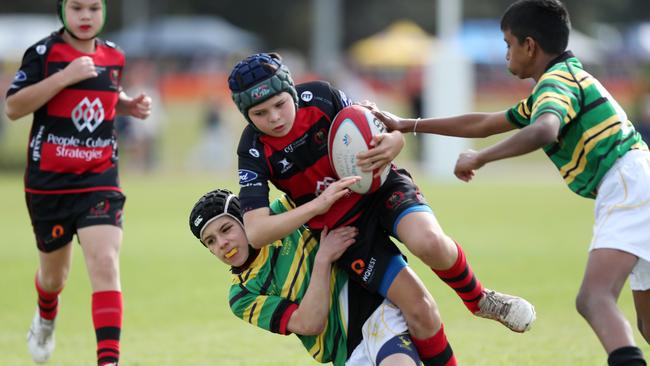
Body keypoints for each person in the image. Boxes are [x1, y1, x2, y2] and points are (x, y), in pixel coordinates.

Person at [373, 1, 650, 365]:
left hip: (628, 184)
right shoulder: (563, 79)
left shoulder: (555, 84)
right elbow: (485, 122)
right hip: (636, 180)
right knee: (646, 322)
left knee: (594, 299)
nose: (506, 54)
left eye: (508, 44)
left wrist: (481, 157)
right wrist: (407, 124)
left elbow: (544, 130)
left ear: (530, 46)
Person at [229, 52, 536, 364]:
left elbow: (379, 126)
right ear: (247, 116)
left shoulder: (322, 98)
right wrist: (319, 205)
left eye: (280, 104)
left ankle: (479, 300)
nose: (275, 118)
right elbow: (256, 231)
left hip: (381, 189)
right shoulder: (253, 149)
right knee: (420, 310)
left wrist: (395, 142)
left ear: (292, 91)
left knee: (428, 242)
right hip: (346, 231)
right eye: (260, 113)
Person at [4, 0, 152, 364]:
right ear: (62, 11)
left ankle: (109, 360)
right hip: (49, 185)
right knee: (54, 279)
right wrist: (64, 76)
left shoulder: (114, 56)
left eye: (93, 8)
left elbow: (100, 93)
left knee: (104, 262)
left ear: (104, 11)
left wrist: (126, 104)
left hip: (99, 177)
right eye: (76, 8)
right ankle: (45, 315)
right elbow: (13, 107)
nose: (86, 17)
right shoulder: (43, 53)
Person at [188, 189, 442, 365]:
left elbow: (320, 188)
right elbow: (309, 324)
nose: (222, 243)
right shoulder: (241, 296)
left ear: (245, 219)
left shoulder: (280, 216)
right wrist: (323, 259)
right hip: (345, 354)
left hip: (371, 307)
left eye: (226, 229)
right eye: (210, 241)